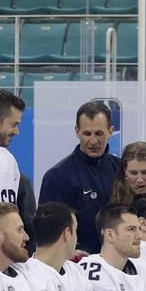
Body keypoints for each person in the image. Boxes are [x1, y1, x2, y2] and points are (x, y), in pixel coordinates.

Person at [37, 101, 120, 254]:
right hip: (78, 266)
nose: (93, 141)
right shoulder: (57, 176)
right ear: (77, 131)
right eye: (87, 133)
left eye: (99, 133)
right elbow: (47, 230)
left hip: (118, 262)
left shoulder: (121, 169)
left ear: (110, 131)